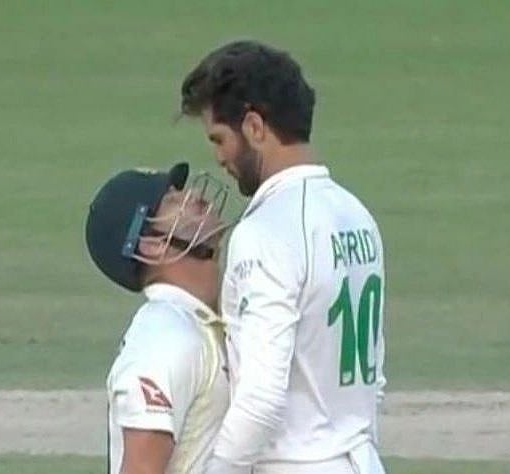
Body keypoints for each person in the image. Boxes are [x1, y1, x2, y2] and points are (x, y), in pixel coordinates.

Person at [180, 41, 387, 474]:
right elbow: (373, 381)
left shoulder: (266, 232)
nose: (219, 157)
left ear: (254, 126)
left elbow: (259, 399)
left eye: (220, 138)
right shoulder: (355, 215)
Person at [85, 163, 231, 474]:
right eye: (173, 201)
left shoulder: (198, 322)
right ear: (150, 246)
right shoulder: (165, 338)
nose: (194, 197)